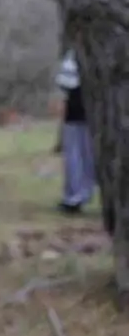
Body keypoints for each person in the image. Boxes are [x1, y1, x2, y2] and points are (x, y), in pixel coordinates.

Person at [54, 49, 94, 214]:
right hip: (89, 115)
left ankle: (75, 197)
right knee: (85, 156)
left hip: (77, 115)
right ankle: (80, 194)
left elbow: (64, 83)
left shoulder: (76, 54)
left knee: (76, 156)